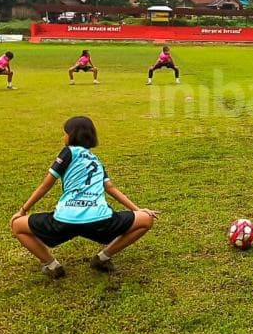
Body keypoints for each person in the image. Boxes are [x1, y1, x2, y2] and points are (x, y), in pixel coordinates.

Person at [10, 116, 159, 279]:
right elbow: (111, 188)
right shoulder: (96, 160)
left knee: (17, 225)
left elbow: (46, 185)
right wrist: (138, 210)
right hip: (100, 221)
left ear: (72, 135)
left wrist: (23, 210)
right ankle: (103, 258)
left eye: (64, 133)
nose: (63, 137)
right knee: (146, 220)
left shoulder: (68, 152)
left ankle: (52, 265)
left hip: (64, 221)